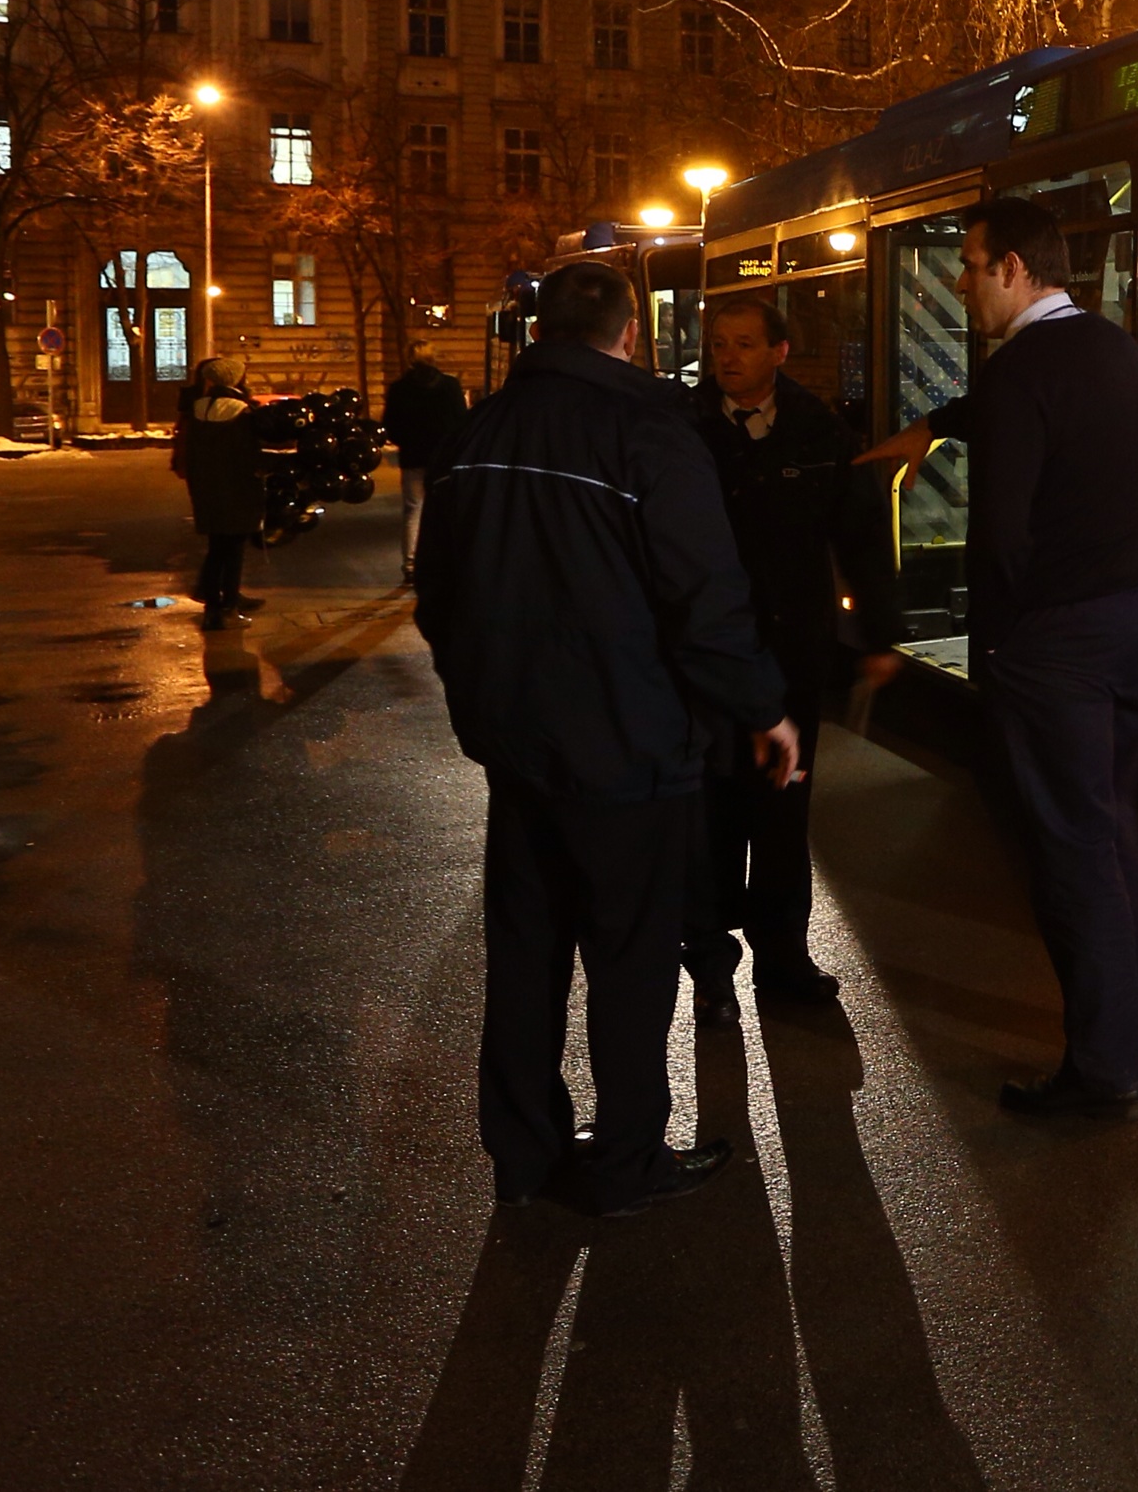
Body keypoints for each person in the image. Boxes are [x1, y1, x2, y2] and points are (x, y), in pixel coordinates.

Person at [413, 260, 803, 1217]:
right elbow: (704, 598)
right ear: (631, 333)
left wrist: (484, 694)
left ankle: (523, 1154)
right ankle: (627, 1156)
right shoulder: (649, 433)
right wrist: (763, 706)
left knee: (526, 949)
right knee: (629, 958)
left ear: (540, 332)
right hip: (630, 746)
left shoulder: (479, 433)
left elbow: (438, 595)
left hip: (519, 747)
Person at [861, 198, 1138, 1120]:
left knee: (1069, 854)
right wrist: (943, 420)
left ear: (1013, 270)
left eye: (968, 263)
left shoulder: (1016, 374)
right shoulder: (1115, 348)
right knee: (1114, 830)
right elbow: (1037, 403)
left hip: (1057, 642)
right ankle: (1132, 1024)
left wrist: (994, 645)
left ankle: (1106, 1070)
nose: (958, 281)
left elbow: (998, 536)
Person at [681, 292, 906, 1025]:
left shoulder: (816, 431)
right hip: (707, 660)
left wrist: (878, 633)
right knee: (711, 814)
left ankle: (784, 959)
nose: (728, 356)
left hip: (787, 657)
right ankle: (712, 968)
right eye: (719, 343)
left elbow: (864, 534)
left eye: (744, 343)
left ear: (779, 351)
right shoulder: (685, 429)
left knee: (782, 809)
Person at [173, 355, 266, 629]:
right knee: (234, 551)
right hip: (237, 491)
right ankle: (230, 607)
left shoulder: (199, 409)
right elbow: (250, 455)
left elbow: (191, 455)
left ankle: (212, 609)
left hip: (207, 491)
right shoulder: (242, 411)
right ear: (235, 378)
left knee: (215, 550)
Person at [382, 338, 471, 584]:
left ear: (411, 359)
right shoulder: (450, 386)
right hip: (444, 459)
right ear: (433, 357)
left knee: (413, 510)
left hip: (413, 458)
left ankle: (410, 563)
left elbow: (391, 426)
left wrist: (407, 442)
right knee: (446, 510)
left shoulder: (399, 388)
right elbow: (461, 422)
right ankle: (446, 562)